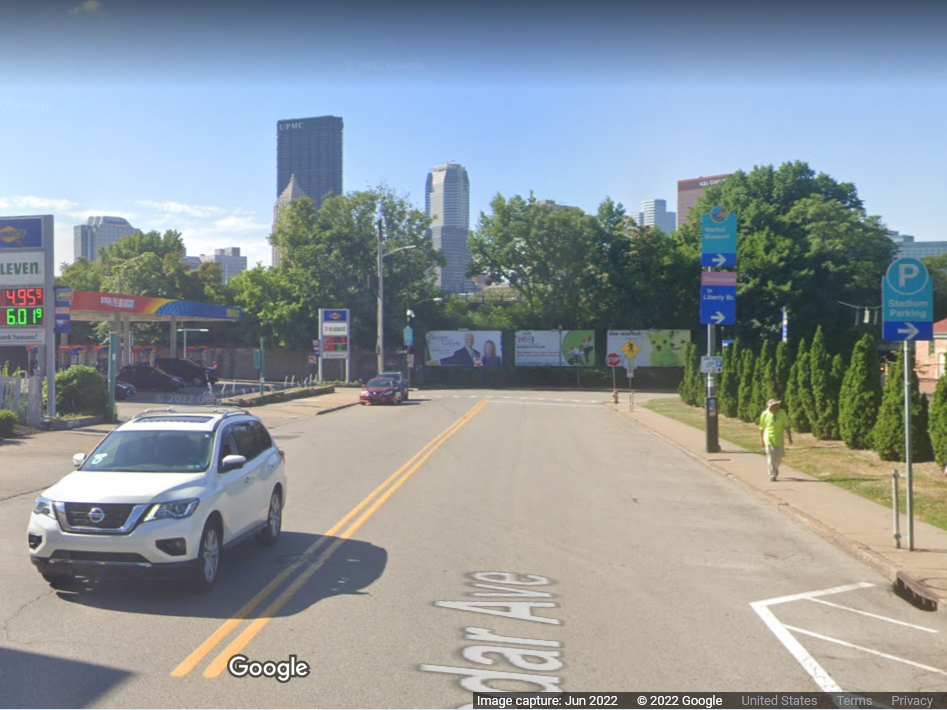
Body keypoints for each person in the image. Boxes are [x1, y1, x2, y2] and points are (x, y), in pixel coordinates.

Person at [759, 398, 793, 481]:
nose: (776, 407)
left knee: (779, 457)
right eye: (774, 406)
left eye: (777, 405)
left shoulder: (782, 413)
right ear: (770, 407)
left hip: (779, 439)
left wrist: (789, 437)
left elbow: (786, 425)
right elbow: (761, 428)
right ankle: (772, 474)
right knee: (771, 457)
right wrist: (761, 440)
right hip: (768, 438)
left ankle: (775, 468)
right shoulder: (765, 414)